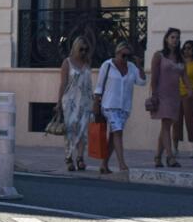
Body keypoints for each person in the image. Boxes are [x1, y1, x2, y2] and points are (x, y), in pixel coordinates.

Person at [93, 41, 147, 175]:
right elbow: (99, 86)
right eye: (123, 55)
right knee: (118, 132)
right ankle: (122, 164)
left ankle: (104, 164)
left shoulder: (132, 67)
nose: (125, 58)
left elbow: (142, 82)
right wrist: (95, 104)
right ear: (117, 53)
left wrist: (140, 66)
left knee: (113, 136)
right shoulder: (107, 65)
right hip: (110, 105)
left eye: (128, 56)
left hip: (124, 107)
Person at [149, 28, 186, 168]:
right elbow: (154, 77)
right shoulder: (158, 55)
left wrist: (191, 89)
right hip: (162, 94)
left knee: (166, 125)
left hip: (175, 95)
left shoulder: (180, 58)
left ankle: (158, 156)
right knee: (166, 125)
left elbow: (185, 75)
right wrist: (154, 94)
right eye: (172, 37)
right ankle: (170, 157)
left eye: (177, 37)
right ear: (166, 39)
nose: (175, 40)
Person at [57, 36, 93, 171]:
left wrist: (94, 102)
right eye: (81, 49)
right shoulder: (67, 63)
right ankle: (69, 157)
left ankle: (80, 158)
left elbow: (89, 85)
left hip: (85, 102)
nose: (83, 52)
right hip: (70, 102)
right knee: (70, 130)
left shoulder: (87, 63)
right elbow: (63, 83)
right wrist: (58, 102)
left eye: (86, 49)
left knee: (83, 130)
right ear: (75, 48)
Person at [175, 40, 193, 159]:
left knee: (191, 120)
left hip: (189, 96)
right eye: (185, 48)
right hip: (176, 95)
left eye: (189, 48)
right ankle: (175, 147)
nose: (187, 50)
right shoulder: (178, 63)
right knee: (176, 121)